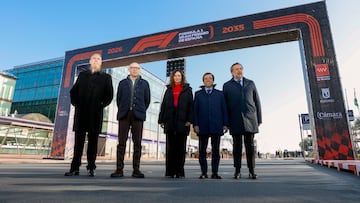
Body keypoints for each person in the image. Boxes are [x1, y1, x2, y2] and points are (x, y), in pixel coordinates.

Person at [65, 53, 114, 177]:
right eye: (94, 59)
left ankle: (91, 167)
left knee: (93, 142)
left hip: (95, 114)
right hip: (81, 113)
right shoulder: (82, 75)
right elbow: (73, 92)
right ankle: (74, 168)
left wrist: (101, 104)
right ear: (90, 62)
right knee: (79, 142)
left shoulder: (106, 77)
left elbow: (109, 95)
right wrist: (77, 104)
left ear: (101, 63)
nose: (96, 61)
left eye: (98, 59)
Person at [110, 62, 151, 178]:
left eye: (137, 68)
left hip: (138, 116)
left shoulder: (145, 83)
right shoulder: (122, 83)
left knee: (137, 143)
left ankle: (136, 169)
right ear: (129, 69)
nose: (134, 70)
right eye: (132, 68)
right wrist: (125, 109)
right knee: (121, 143)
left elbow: (147, 100)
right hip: (124, 115)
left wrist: (140, 110)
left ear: (139, 70)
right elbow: (119, 99)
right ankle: (119, 169)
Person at [223, 62, 262, 179]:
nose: (239, 71)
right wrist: (226, 122)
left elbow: (257, 102)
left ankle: (251, 170)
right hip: (235, 120)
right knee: (237, 147)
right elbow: (224, 105)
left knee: (250, 146)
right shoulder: (227, 86)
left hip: (250, 119)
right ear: (232, 72)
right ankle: (237, 171)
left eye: (240, 69)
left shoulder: (251, 83)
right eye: (236, 69)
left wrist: (259, 119)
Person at [158, 70, 193, 178]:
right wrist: (161, 120)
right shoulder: (168, 90)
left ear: (182, 77)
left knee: (180, 149)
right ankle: (169, 171)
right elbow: (163, 105)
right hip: (170, 121)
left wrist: (189, 120)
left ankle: (179, 171)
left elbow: (191, 106)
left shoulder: (188, 90)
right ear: (172, 78)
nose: (177, 77)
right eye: (175, 76)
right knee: (170, 148)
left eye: (179, 76)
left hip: (182, 122)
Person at [194, 72, 229, 179]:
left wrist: (225, 124)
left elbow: (224, 109)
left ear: (213, 81)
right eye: (206, 78)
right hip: (202, 126)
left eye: (210, 78)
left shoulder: (220, 94)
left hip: (216, 125)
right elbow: (195, 111)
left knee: (215, 151)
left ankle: (215, 172)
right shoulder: (198, 94)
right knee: (202, 150)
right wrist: (195, 124)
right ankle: (203, 172)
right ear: (203, 81)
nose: (208, 80)